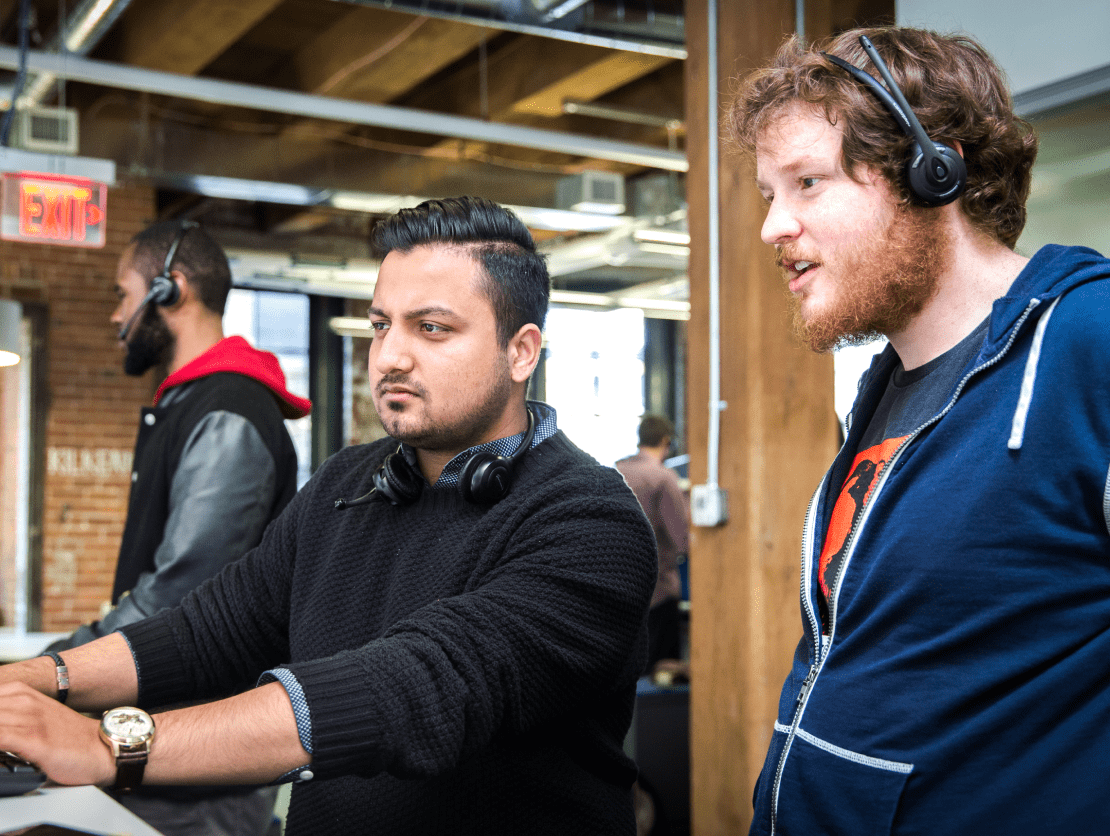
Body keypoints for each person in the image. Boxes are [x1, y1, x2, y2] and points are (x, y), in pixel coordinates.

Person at [0, 197, 657, 836]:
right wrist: (41, 678)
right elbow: (210, 630)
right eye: (380, 325)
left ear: (522, 352)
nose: (391, 356)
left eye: (431, 328)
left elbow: (415, 686)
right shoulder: (347, 483)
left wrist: (111, 744)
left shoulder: (592, 523)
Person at [730, 26, 1110, 835]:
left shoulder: (1090, 341)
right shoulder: (884, 390)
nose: (773, 227)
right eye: (771, 193)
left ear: (936, 172)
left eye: (807, 183)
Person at [43, 220, 309, 835]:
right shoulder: (190, 404)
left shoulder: (228, 413)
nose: (116, 316)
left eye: (123, 294)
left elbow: (179, 597)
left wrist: (52, 670)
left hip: (200, 759)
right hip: (160, 738)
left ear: (171, 289)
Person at [615, 413, 688, 672]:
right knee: (660, 678)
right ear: (666, 441)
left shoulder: (615, 471)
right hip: (657, 592)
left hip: (617, 591)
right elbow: (683, 540)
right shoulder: (663, 478)